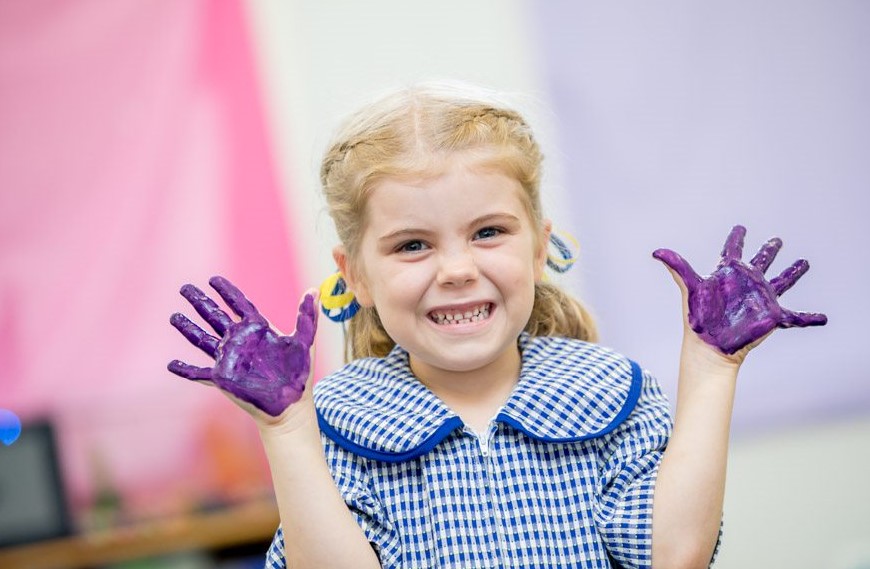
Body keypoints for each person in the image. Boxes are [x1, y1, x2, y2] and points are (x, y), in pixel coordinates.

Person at [168, 81, 827, 568]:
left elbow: (673, 554)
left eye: (488, 232)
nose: (456, 268)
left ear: (539, 246)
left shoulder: (610, 390)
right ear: (355, 274)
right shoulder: (336, 418)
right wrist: (286, 431)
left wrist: (712, 369)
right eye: (412, 245)